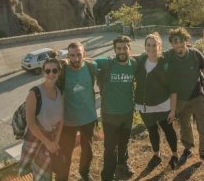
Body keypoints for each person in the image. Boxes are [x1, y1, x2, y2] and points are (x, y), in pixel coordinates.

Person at [164, 28, 204, 165]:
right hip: (180, 99)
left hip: (197, 96)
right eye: (175, 42)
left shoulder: (195, 55)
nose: (178, 45)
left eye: (181, 41)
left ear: (186, 41)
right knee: (185, 126)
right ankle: (188, 149)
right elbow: (150, 56)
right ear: (171, 44)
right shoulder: (169, 55)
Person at [94, 35, 137, 181]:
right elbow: (86, 62)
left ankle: (122, 164)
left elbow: (149, 57)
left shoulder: (134, 64)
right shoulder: (107, 63)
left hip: (127, 112)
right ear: (115, 50)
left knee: (124, 142)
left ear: (129, 49)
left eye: (125, 48)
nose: (122, 51)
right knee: (110, 148)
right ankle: (107, 175)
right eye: (119, 48)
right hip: (110, 114)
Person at [134, 32, 179, 170]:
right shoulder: (141, 61)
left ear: (159, 46)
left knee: (168, 130)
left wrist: (172, 110)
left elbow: (173, 89)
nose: (151, 48)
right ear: (145, 46)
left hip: (162, 106)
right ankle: (156, 155)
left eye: (154, 45)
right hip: (144, 106)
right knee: (152, 131)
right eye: (149, 45)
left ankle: (174, 155)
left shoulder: (166, 63)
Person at [55, 42, 97, 181]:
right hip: (68, 121)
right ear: (68, 56)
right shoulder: (62, 71)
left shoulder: (91, 67)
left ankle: (84, 173)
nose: (76, 58)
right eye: (72, 55)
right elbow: (48, 70)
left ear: (84, 54)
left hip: (88, 118)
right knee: (65, 154)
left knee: (88, 152)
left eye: (79, 54)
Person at [19, 52, 64, 181]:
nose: (51, 74)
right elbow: (31, 124)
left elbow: (61, 119)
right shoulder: (34, 93)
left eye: (54, 70)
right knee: (42, 177)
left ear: (59, 72)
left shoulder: (59, 92)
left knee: (53, 172)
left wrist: (55, 142)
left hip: (52, 138)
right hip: (38, 140)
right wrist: (48, 143)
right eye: (47, 70)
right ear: (43, 72)